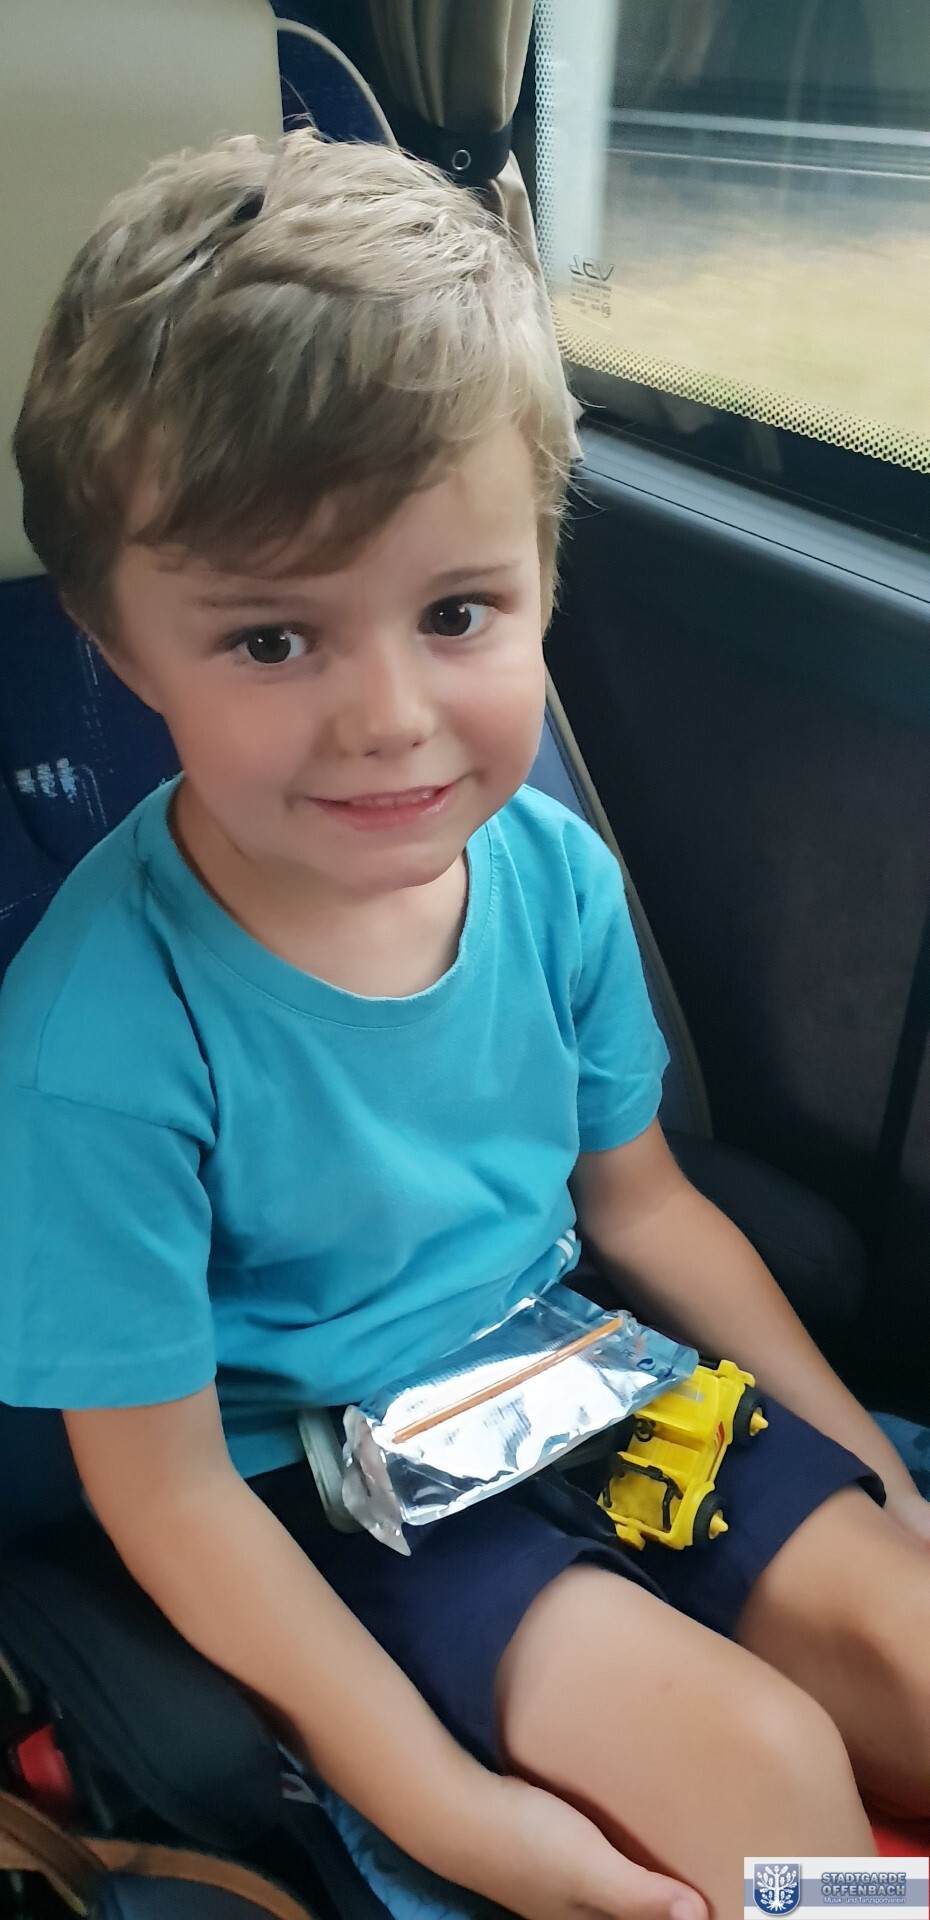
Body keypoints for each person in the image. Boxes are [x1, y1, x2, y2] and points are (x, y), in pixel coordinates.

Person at [1, 130, 928, 1920]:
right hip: (325, 1482)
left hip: (577, 1376)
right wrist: (449, 1812)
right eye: (272, 642)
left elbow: (639, 1202)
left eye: (454, 613)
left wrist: (863, 1465)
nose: (388, 717)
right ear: (117, 649)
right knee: (764, 1781)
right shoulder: (98, 1046)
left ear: (542, 584)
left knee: (906, 1637)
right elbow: (169, 1497)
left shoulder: (551, 874)